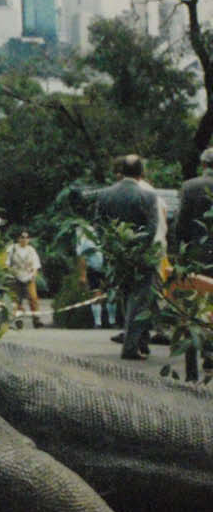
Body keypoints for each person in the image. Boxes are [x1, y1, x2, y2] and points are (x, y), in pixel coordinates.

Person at [94, 154, 160, 361]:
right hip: (141, 258)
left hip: (116, 257)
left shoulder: (104, 195)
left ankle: (140, 341)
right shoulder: (148, 197)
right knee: (139, 300)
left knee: (126, 296)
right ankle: (131, 347)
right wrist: (139, 250)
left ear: (121, 172)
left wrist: (112, 248)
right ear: (142, 173)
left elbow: (98, 225)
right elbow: (151, 229)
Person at [176, 146, 213, 267]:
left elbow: (181, 222)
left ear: (203, 164)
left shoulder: (189, 186)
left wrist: (181, 246)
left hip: (196, 252)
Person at [5, 229, 43, 328]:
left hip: (29, 277)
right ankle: (18, 320)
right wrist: (11, 273)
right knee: (16, 300)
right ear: (18, 239)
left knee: (33, 299)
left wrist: (34, 273)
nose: (24, 240)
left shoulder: (31, 250)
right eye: (22, 237)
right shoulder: (12, 249)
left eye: (27, 238)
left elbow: (36, 264)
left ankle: (36, 319)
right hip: (15, 277)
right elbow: (7, 264)